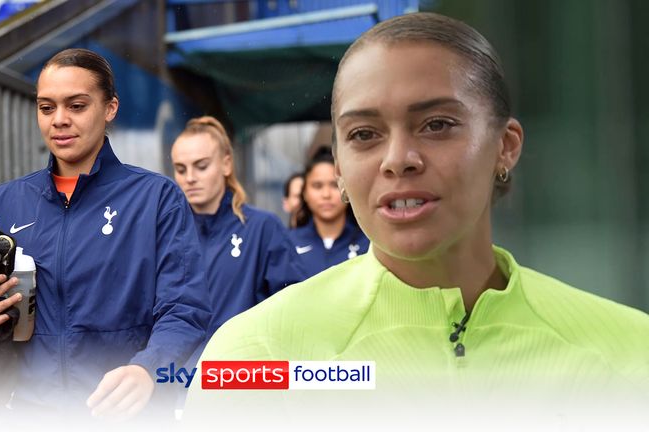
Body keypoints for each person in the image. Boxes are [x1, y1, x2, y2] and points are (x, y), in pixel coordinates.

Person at [187, 12, 649, 427]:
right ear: (341, 170)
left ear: (505, 145)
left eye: (436, 125)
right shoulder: (255, 356)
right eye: (364, 134)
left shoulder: (631, 354)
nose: (398, 159)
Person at [0, 48, 210, 423]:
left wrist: (148, 368)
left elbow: (184, 309)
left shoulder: (156, 199)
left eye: (77, 105)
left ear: (110, 108)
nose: (59, 120)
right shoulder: (1, 206)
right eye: (46, 107)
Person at [171, 116, 306, 336]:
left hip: (241, 367)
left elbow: (294, 309)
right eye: (180, 169)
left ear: (226, 164)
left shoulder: (263, 228)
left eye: (201, 166)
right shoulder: (168, 234)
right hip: (181, 369)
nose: (190, 178)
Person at [290, 148, 369, 277]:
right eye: (317, 186)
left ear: (346, 190)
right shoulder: (288, 243)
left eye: (334, 185)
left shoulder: (370, 244)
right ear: (304, 193)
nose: (326, 194)